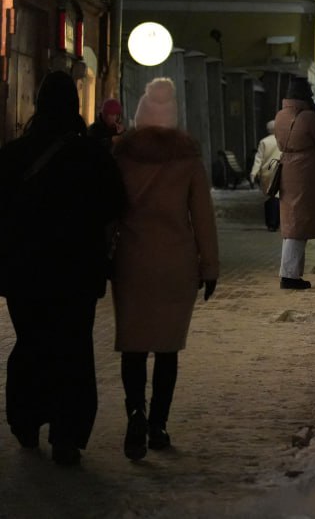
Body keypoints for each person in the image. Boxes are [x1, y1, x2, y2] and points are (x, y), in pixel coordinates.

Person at [0, 71, 127, 466]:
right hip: (77, 270)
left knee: (31, 341)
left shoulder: (13, 154)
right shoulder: (92, 156)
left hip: (25, 271)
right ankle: (67, 433)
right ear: (74, 106)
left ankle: (26, 422)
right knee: (73, 347)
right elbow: (116, 205)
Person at [110, 77, 219, 460]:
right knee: (167, 349)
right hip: (176, 264)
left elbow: (109, 212)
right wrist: (210, 267)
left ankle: (135, 414)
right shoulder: (187, 161)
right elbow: (202, 218)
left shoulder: (121, 157)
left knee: (134, 347)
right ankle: (158, 424)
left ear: (140, 117)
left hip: (132, 263)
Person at [274, 77, 315, 290]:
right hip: (305, 172)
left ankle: (291, 273)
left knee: (292, 221)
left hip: (287, 168)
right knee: (298, 226)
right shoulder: (308, 117)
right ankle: (289, 276)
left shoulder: (281, 116)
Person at [250, 120, 281, 231]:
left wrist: (253, 173)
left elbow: (259, 159)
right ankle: (276, 222)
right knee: (278, 196)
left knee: (269, 197)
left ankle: (270, 222)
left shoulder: (264, 142)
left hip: (267, 172)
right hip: (280, 171)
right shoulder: (282, 140)